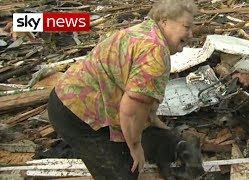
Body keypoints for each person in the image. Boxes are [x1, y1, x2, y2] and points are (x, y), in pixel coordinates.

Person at [47, 0, 198, 179]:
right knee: (125, 172)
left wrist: (152, 121)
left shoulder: (146, 30)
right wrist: (135, 148)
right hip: (77, 113)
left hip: (76, 96)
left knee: (156, 137)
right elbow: (131, 110)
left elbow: (139, 101)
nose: (190, 35)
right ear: (164, 21)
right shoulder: (155, 52)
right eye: (186, 27)